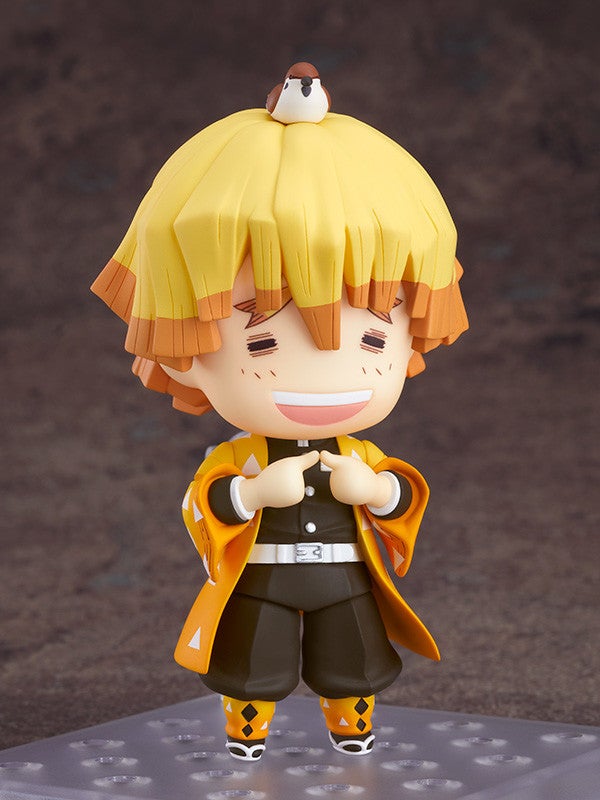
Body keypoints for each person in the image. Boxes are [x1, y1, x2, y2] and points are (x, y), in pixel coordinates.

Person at [92, 63, 468, 761]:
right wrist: (250, 494)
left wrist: (377, 490)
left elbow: (403, 497)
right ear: (182, 346)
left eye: (375, 339)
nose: (334, 375)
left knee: (354, 655)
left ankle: (352, 722)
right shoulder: (240, 458)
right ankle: (248, 727)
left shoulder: (359, 455)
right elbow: (201, 505)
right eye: (261, 341)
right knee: (252, 659)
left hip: (346, 578)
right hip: (258, 579)